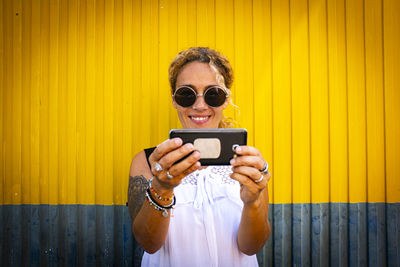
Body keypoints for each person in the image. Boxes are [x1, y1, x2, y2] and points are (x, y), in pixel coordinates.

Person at [128, 47, 271, 267]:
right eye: (187, 94)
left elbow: (251, 246)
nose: (200, 105)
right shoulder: (149, 161)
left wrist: (253, 202)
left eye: (213, 94)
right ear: (174, 100)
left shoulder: (247, 163)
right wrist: (161, 188)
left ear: (225, 99)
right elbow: (148, 243)